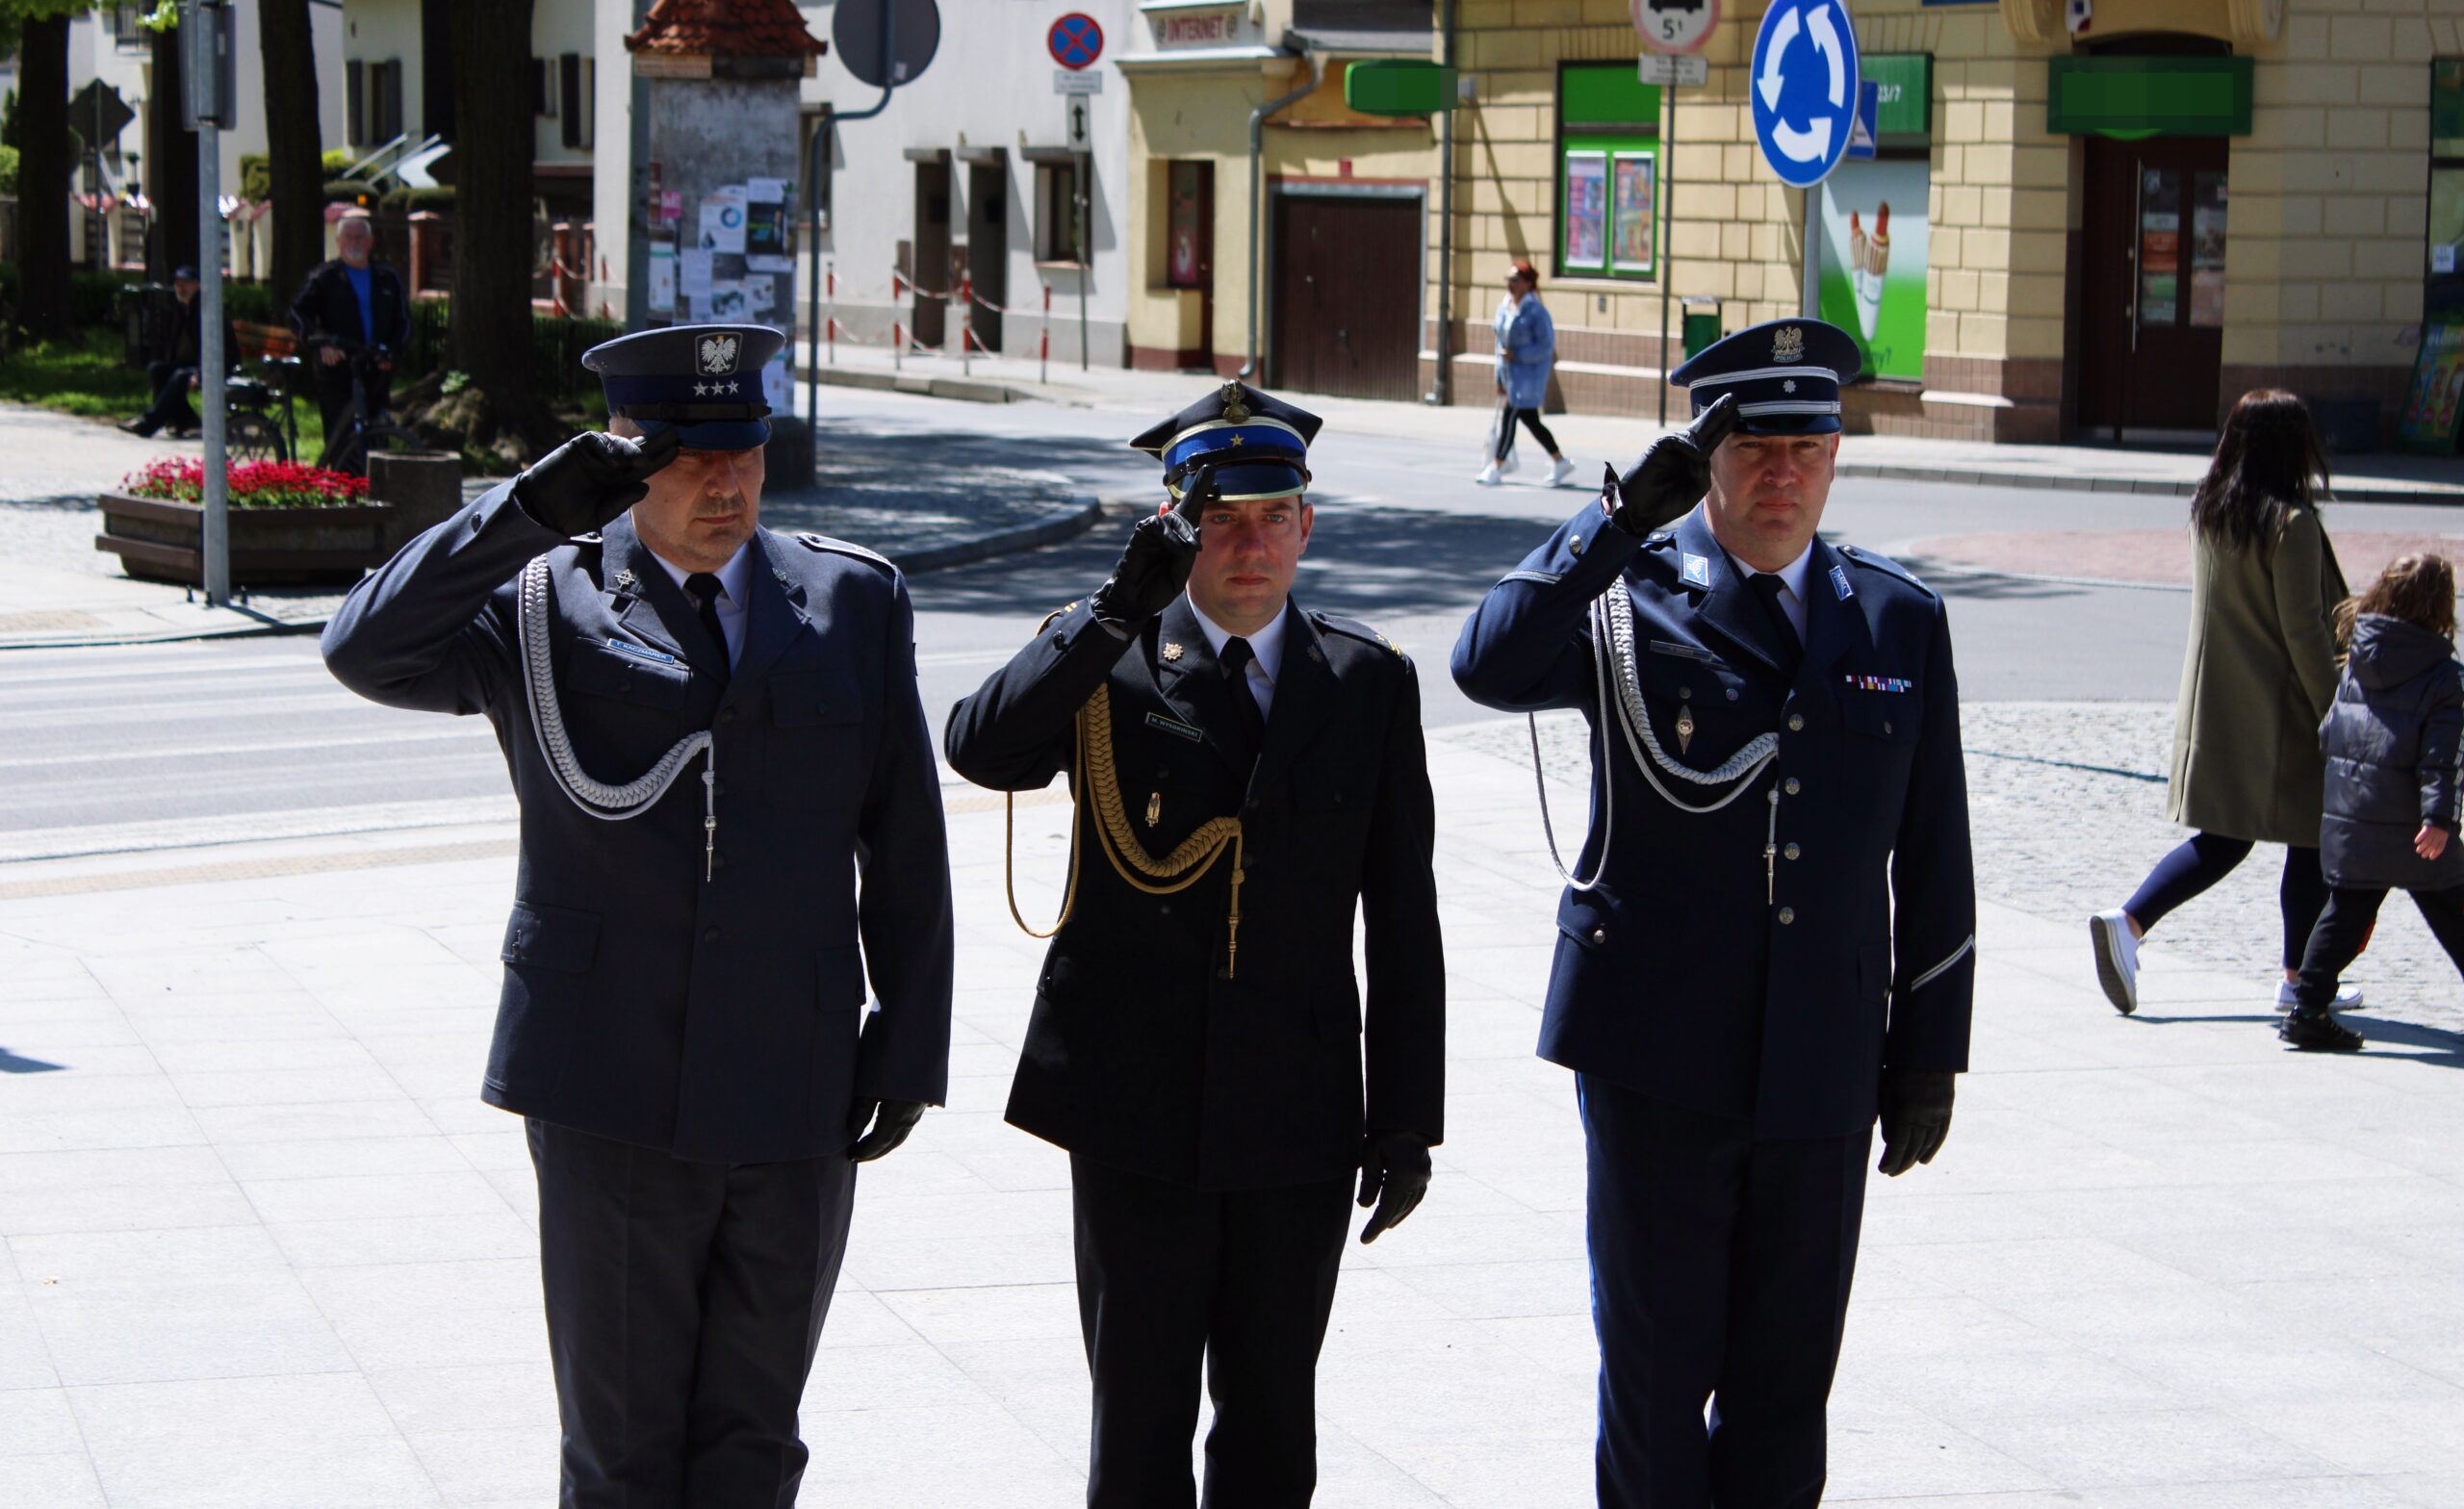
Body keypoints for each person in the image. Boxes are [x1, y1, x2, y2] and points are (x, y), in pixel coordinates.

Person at [321, 323, 955, 1507]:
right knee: (620, 1451)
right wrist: (523, 508)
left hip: (796, 1079)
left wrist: (908, 1043)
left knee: (756, 1440)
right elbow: (364, 649)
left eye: (745, 452)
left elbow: (903, 839)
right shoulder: (541, 596)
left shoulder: (852, 599)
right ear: (623, 455)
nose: (725, 484)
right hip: (609, 1076)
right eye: (686, 457)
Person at [1452, 317, 1975, 1509]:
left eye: (1808, 444)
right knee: (1654, 1377)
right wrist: (1616, 517)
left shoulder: (1896, 619)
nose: (1781, 473)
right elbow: (1486, 663)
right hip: (1656, 1057)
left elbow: (1935, 857)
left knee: (1787, 1387)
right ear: (1709, 456)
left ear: (1838, 454)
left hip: (1823, 1065)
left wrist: (1927, 1055)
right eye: (1752, 447)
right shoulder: (1628, 591)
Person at [944, 380, 1446, 1509]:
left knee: (1274, 1423)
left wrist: (1408, 1117)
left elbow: (1402, 915)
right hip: (1134, 1105)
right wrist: (1111, 610)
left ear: (1308, 525)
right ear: (1176, 526)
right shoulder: (1109, 660)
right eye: (1221, 518)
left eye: (1275, 516)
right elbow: (978, 748)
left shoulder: (1365, 681)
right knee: (1139, 1418)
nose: (1251, 544)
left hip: (1298, 1109)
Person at [2089, 390, 2354, 1018]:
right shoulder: (2292, 525)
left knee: (2228, 837)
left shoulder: (2213, 512)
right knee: (2311, 837)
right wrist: (2336, 715)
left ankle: (2129, 923)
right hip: (2283, 714)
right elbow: (2305, 631)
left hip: (2220, 704)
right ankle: (2297, 976)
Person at [2282, 553, 2464, 1051]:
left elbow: (2329, 734)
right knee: (2455, 906)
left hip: (2355, 813)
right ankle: (2309, 1010)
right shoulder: (2442, 676)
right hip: (2412, 823)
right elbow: (2440, 758)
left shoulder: (2359, 659)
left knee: (2345, 912)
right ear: (2439, 608)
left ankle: (2308, 1009)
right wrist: (2439, 816)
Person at [289, 212, 412, 465]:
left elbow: (404, 322)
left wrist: (393, 351)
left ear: (370, 242)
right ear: (338, 241)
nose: (355, 243)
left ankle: (377, 482)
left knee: (377, 428)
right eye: (349, 238)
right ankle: (340, 481)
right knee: (340, 432)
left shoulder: (386, 277)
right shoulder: (324, 277)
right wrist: (322, 342)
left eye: (360, 238)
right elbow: (296, 314)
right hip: (338, 368)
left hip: (375, 367)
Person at [1477, 259, 1573, 488]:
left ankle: (1496, 465)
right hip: (1510, 374)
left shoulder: (1535, 311)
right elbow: (1499, 343)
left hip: (1529, 376)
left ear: (1528, 283)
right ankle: (1559, 460)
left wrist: (1518, 355)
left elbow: (1545, 346)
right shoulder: (1505, 306)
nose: (1510, 284)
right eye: (1508, 279)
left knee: (1511, 415)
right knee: (1530, 420)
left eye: (1515, 280)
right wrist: (1499, 374)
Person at [118, 265, 239, 439]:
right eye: (178, 283)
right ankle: (186, 421)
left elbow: (212, 348)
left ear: (197, 285)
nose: (181, 288)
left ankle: (149, 423)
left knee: (180, 376)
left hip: (219, 365)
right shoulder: (185, 308)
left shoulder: (205, 311)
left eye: (186, 283)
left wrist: (199, 373)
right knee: (157, 370)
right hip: (198, 363)